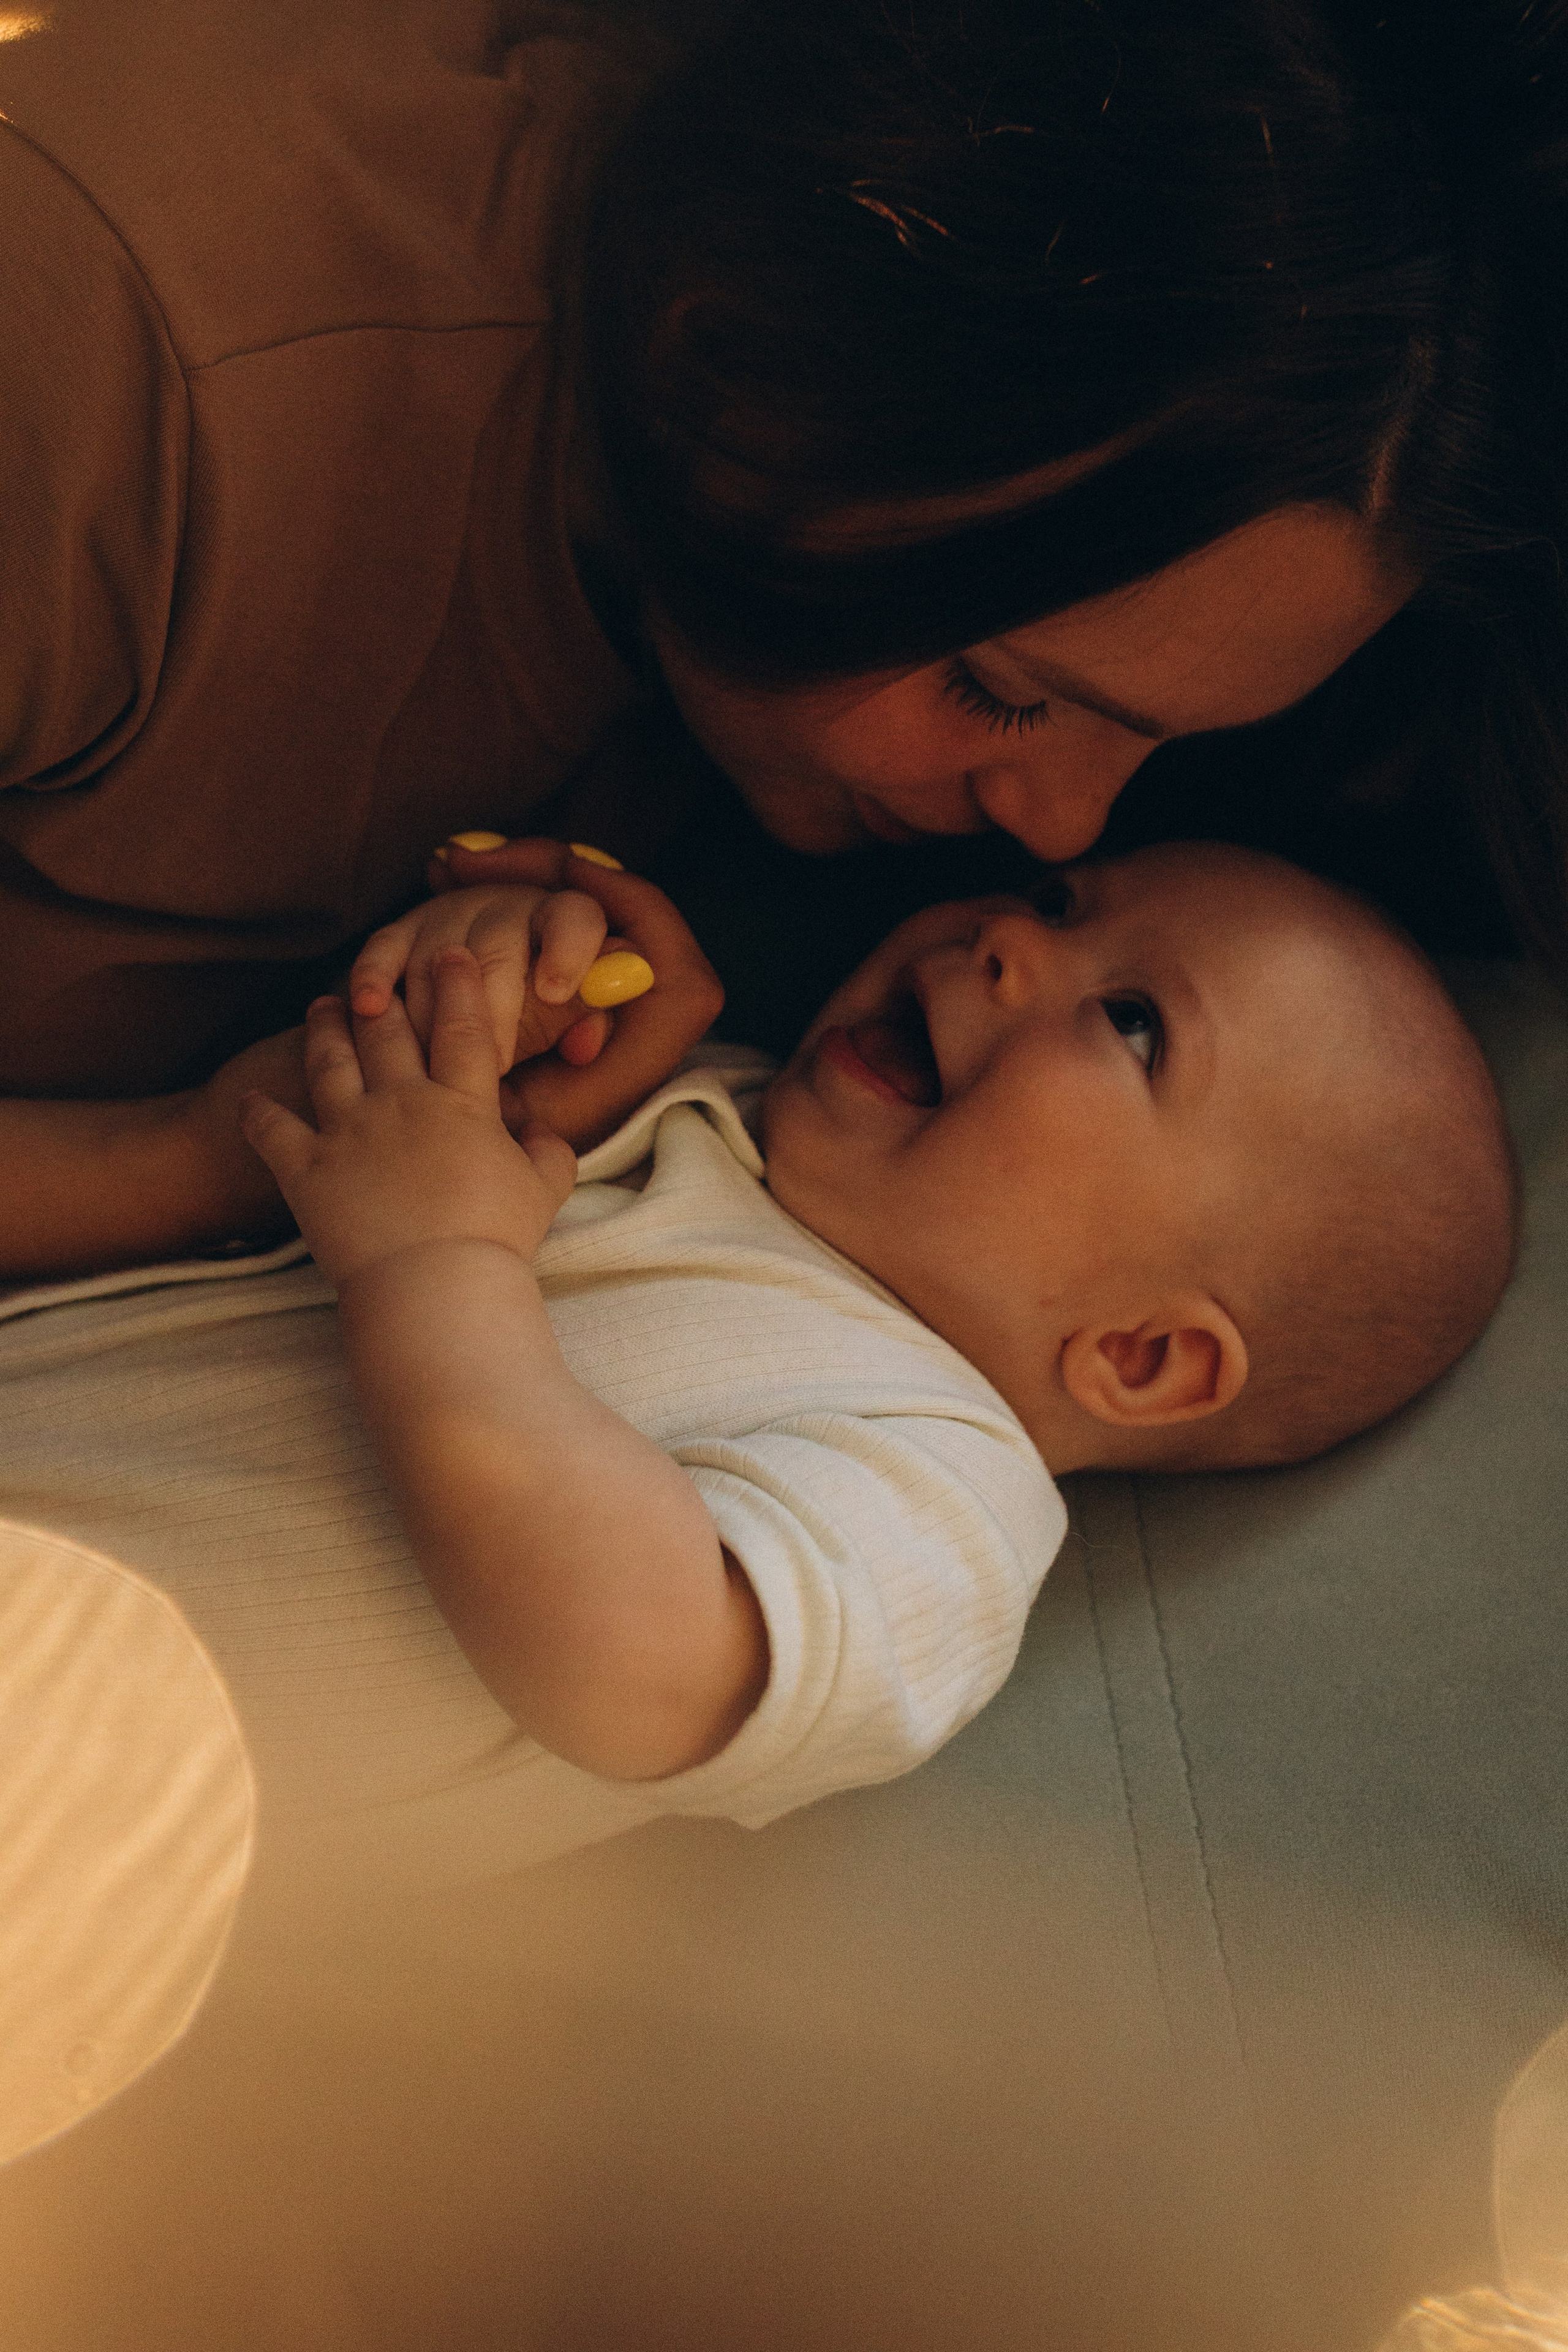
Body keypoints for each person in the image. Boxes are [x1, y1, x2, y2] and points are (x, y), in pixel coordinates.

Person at [1, 0, 1564, 1281]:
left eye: (1161, 741)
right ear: (746, 374)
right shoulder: (103, 357)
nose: (1062, 829)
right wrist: (214, 1158)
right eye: (996, 693)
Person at [205, 841, 1512, 1798]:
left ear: (1140, 1355)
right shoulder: (716, 1108)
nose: (1007, 934)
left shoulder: (942, 1483)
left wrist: (434, 1259)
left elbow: (638, 1670)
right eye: (1060, 898)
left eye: (1131, 1022)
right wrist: (482, 987)